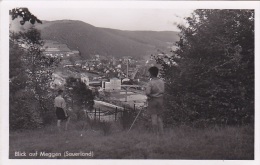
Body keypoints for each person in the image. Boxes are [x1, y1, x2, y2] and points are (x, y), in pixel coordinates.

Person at [145, 66, 165, 136]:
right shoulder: (162, 82)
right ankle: (161, 133)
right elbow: (163, 91)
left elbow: (147, 92)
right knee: (159, 117)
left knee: (154, 117)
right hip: (160, 100)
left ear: (151, 73)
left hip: (153, 100)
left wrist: (150, 96)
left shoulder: (150, 83)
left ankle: (155, 134)